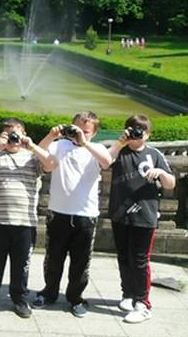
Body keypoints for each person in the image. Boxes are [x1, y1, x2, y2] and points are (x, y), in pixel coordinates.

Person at [31, 112, 112, 317]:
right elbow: (39, 153)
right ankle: (49, 292)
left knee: (81, 261)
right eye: (76, 129)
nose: (79, 134)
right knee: (53, 258)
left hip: (86, 214)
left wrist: (85, 142)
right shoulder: (60, 145)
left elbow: (106, 162)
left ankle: (75, 298)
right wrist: (51, 136)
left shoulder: (97, 149)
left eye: (86, 131)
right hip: (58, 212)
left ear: (94, 133)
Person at [0, 118, 51, 318]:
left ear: (24, 135)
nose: (14, 139)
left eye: (17, 134)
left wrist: (32, 146)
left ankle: (20, 299)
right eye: (9, 135)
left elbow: (52, 164)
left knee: (21, 265)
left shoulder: (32, 158)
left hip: (25, 222)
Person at [107, 115, 175, 323]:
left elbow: (171, 183)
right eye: (133, 130)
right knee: (123, 257)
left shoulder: (154, 154)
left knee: (140, 260)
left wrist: (160, 172)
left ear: (148, 134)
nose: (137, 135)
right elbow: (104, 162)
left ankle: (143, 303)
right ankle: (128, 294)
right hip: (120, 214)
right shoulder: (119, 151)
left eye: (141, 131)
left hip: (144, 215)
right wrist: (120, 142)